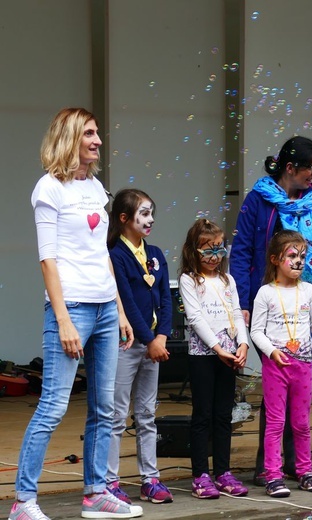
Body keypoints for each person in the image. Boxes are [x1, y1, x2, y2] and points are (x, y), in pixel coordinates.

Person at [11, 108, 143, 520]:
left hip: (105, 307)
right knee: (53, 404)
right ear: (70, 137)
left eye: (97, 133)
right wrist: (63, 318)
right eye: (89, 133)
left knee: (105, 407)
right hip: (72, 308)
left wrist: (120, 311)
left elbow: (100, 253)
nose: (98, 140)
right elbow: (47, 260)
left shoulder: (96, 189)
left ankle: (96, 493)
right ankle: (23, 501)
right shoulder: (48, 189)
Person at [230, 136, 312, 486]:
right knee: (276, 388)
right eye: (311, 169)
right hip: (271, 301)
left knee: (300, 390)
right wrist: (243, 303)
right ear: (291, 168)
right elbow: (242, 252)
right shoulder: (259, 200)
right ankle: (270, 467)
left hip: (307, 302)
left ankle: (298, 465)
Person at [250, 231, 312, 497]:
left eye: (303, 257)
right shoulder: (265, 293)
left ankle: (304, 471)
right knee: (275, 422)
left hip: (303, 366)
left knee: (301, 423)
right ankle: (273, 475)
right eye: (292, 256)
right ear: (275, 259)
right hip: (277, 367)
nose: (298, 262)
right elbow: (256, 331)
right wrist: (271, 352)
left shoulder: (309, 291)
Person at [106, 189, 173, 504]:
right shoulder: (115, 255)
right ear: (124, 218)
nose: (150, 219)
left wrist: (162, 337)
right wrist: (149, 339)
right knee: (117, 414)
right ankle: (109, 482)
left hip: (153, 346)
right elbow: (128, 303)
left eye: (151, 213)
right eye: (144, 213)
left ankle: (150, 479)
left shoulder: (157, 252)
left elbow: (167, 300)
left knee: (147, 414)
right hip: (127, 345)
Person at [178, 219, 249, 499]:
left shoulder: (227, 279)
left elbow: (237, 311)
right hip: (205, 356)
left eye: (219, 249)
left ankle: (223, 472)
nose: (214, 256)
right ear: (193, 251)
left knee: (223, 415)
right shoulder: (189, 279)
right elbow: (194, 317)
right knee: (203, 415)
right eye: (208, 250)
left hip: (229, 355)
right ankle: (200, 475)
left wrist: (242, 344)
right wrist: (218, 348)